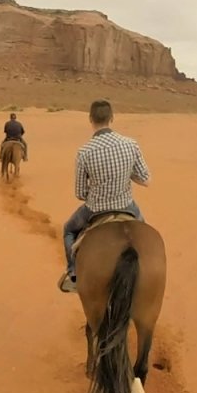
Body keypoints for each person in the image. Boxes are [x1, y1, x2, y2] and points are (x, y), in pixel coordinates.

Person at [58, 99, 150, 293]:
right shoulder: (131, 144)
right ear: (112, 118)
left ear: (90, 119)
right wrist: (127, 174)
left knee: (68, 230)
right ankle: (146, 273)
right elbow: (146, 180)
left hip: (95, 209)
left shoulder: (84, 152)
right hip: (127, 205)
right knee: (145, 236)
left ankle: (73, 274)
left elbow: (80, 193)